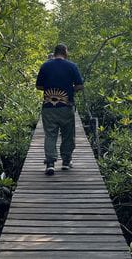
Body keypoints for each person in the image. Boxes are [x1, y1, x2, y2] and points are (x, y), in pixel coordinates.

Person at [35, 43, 84, 175]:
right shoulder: (72, 66)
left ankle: (50, 163)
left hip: (48, 107)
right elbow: (80, 85)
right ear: (65, 52)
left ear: (55, 52)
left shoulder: (45, 66)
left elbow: (39, 86)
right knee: (68, 135)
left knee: (50, 135)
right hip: (66, 107)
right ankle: (66, 162)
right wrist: (69, 90)